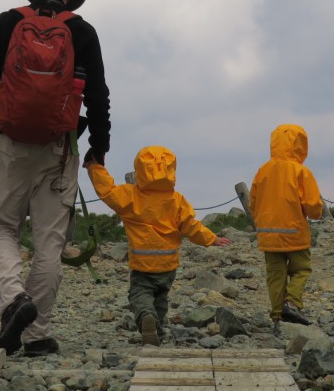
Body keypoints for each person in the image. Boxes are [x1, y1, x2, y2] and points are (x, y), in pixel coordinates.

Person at [0, 0, 111, 357]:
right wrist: (100, 147)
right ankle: (38, 336)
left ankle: (14, 300)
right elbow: (98, 95)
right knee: (49, 240)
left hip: (11, 145)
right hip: (59, 146)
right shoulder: (83, 31)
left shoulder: (8, 22)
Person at [84, 146, 231, 346]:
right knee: (161, 298)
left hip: (142, 263)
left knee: (140, 294)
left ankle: (146, 317)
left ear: (140, 170)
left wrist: (94, 167)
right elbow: (191, 225)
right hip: (168, 264)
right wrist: (211, 238)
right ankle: (157, 332)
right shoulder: (176, 200)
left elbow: (107, 190)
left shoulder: (130, 196)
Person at [249, 124, 323, 330]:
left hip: (268, 235)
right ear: (300, 145)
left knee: (275, 275)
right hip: (294, 232)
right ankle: (293, 302)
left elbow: (253, 204)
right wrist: (315, 215)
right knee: (301, 269)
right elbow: (313, 205)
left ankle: (277, 317)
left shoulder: (262, 171)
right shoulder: (300, 171)